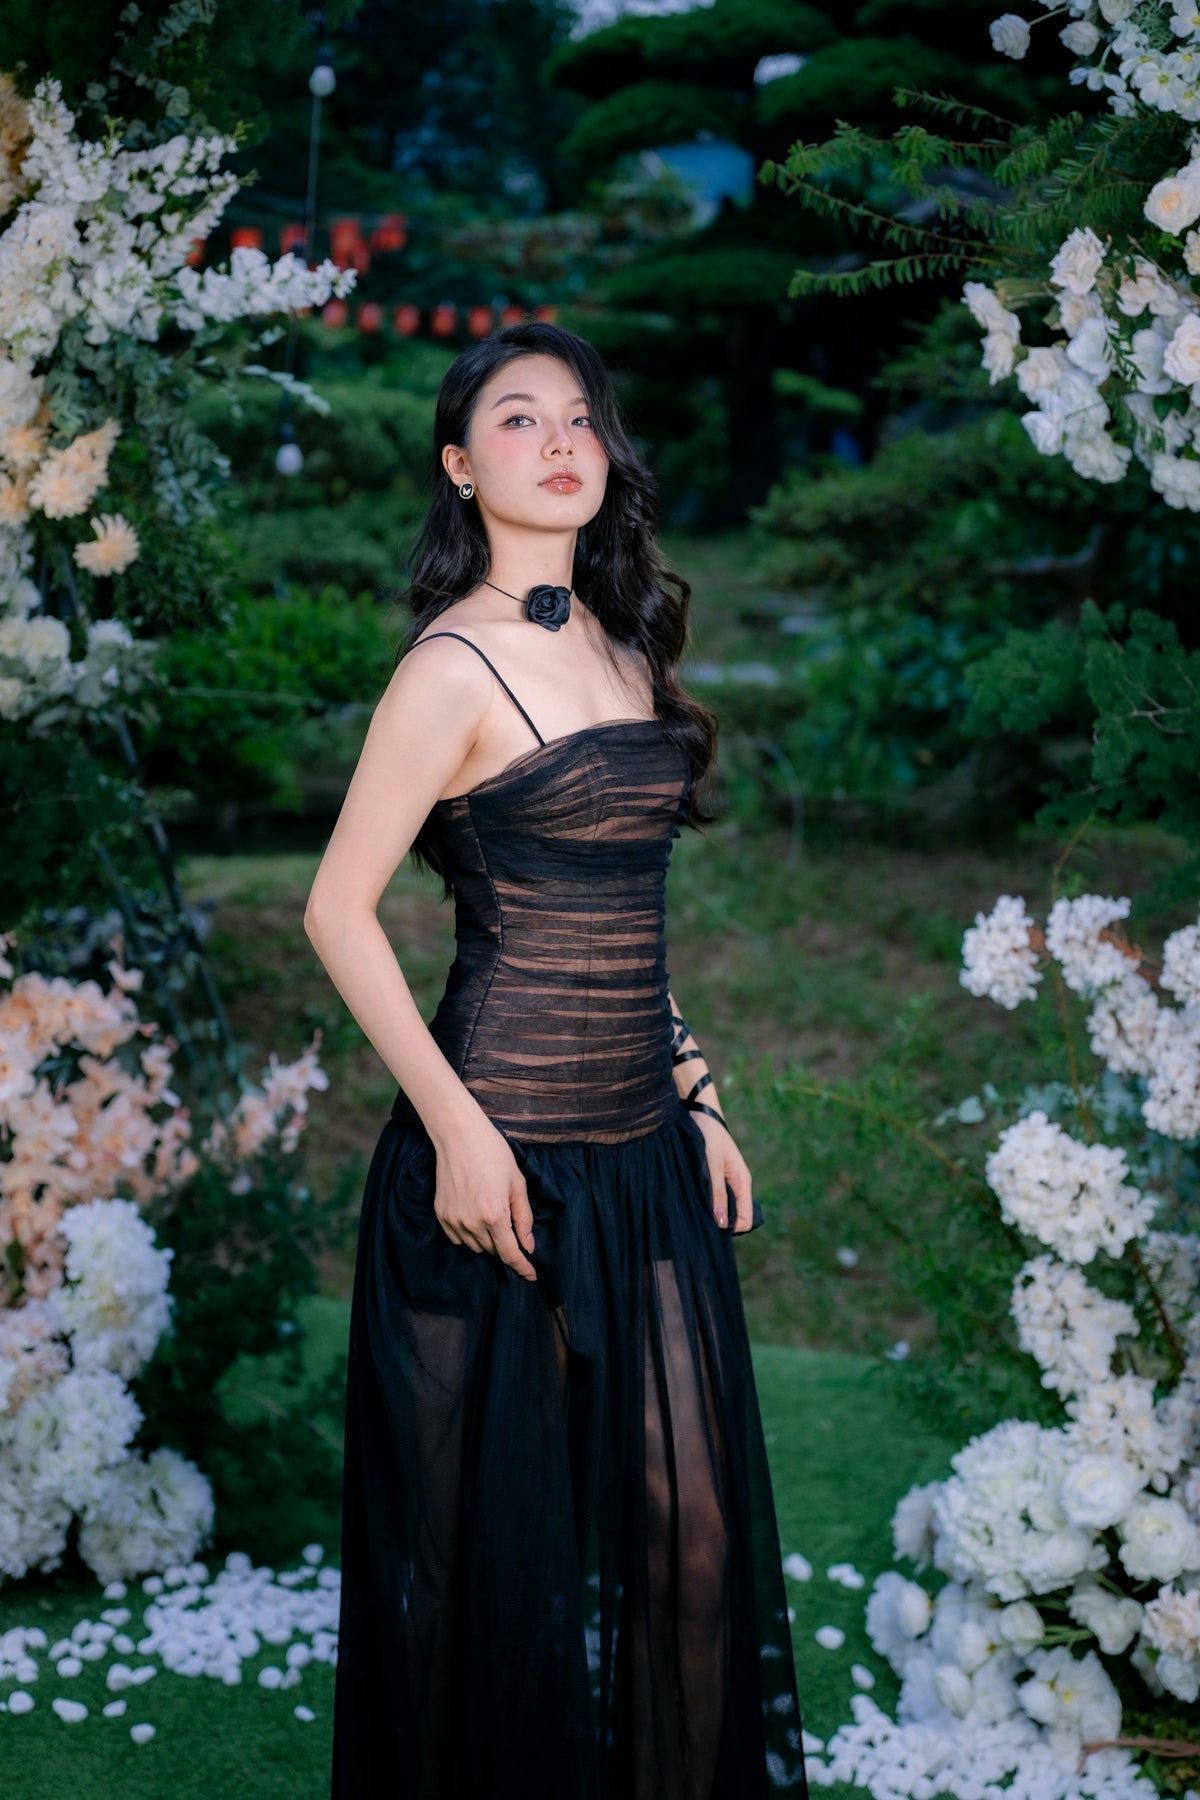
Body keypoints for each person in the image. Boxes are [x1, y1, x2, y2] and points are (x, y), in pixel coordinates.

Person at [304, 319, 809, 1799]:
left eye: (581, 416)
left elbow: (618, 928)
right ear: (463, 469)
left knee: (692, 1536)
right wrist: (456, 1134)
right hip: (488, 1176)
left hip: (644, 1161)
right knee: (486, 1582)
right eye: (521, 421)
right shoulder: (449, 669)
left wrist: (697, 1090)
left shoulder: (622, 638)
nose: (563, 439)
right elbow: (336, 908)